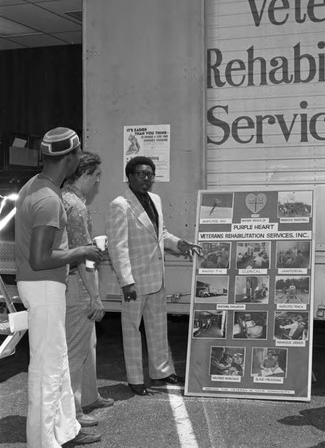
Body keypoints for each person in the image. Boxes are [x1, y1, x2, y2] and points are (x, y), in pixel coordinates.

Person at [15, 127, 103, 447]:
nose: (79, 158)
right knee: (47, 370)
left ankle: (65, 430)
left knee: (58, 365)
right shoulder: (49, 199)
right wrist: (83, 251)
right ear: (69, 157)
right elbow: (40, 258)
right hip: (43, 287)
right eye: (77, 153)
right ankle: (44, 440)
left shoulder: (36, 187)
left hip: (42, 287)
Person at [106, 156, 200, 396]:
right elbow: (118, 248)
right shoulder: (120, 205)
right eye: (141, 174)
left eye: (150, 174)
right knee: (131, 331)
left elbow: (162, 234)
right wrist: (126, 281)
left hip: (157, 278)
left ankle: (162, 372)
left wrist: (180, 244)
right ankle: (135, 379)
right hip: (134, 282)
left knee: (159, 329)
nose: (146, 178)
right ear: (129, 176)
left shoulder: (155, 199)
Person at [62, 152, 114, 431]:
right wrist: (94, 296)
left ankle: (89, 396)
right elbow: (81, 256)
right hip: (78, 284)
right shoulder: (76, 207)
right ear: (84, 174)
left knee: (87, 345)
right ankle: (73, 411)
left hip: (73, 281)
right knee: (77, 350)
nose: (97, 183)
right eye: (95, 176)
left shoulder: (67, 199)